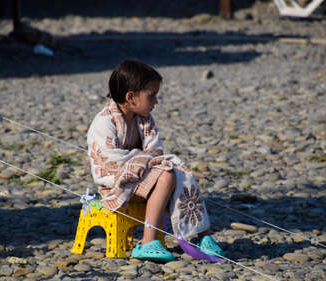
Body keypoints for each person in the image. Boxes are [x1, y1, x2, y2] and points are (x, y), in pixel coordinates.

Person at [87, 59, 224, 262]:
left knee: (180, 173)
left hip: (142, 177)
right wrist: (145, 160)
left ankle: (202, 234)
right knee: (167, 174)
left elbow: (155, 150)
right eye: (152, 96)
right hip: (117, 183)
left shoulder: (144, 119)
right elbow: (111, 162)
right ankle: (147, 241)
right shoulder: (104, 122)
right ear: (130, 97)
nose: (156, 102)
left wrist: (146, 160)